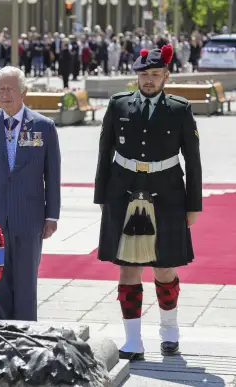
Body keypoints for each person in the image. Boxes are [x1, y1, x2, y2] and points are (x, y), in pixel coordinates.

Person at [93, 45, 202, 361]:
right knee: (128, 267)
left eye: (155, 74)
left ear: (166, 76)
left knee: (165, 266)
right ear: (137, 76)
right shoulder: (118, 106)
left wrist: (193, 205)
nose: (149, 80)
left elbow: (192, 161)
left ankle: (169, 332)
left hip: (167, 193)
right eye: (144, 74)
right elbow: (104, 153)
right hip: (123, 191)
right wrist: (102, 197)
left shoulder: (180, 109)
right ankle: (132, 340)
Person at [0, 66, 61, 321]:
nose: (5, 94)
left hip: (29, 215)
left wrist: (51, 215)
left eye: (10, 89)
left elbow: (52, 175)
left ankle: (25, 334)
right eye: (0, 89)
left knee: (25, 282)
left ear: (24, 92)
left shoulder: (43, 127)